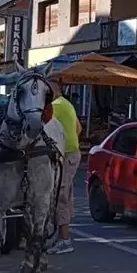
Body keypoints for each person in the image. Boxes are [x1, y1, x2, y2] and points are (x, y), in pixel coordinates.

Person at [47, 79, 82, 256]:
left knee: (61, 195)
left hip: (66, 154)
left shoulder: (55, 105)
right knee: (65, 195)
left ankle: (64, 239)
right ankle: (60, 236)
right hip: (71, 152)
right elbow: (79, 128)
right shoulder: (66, 104)